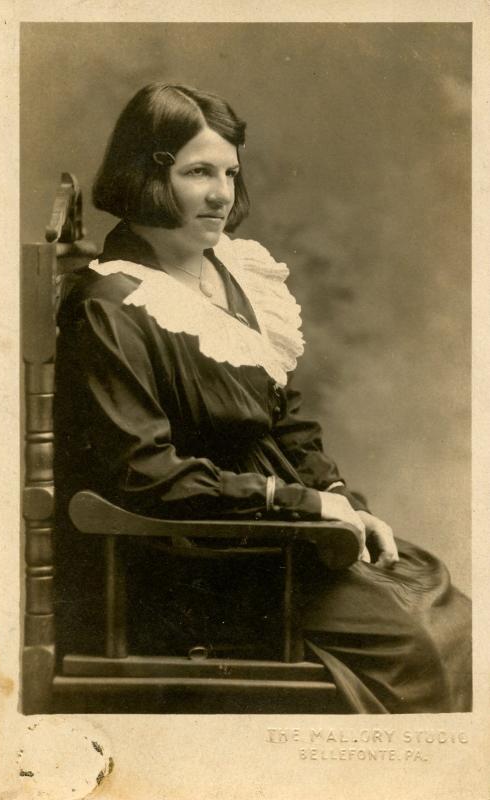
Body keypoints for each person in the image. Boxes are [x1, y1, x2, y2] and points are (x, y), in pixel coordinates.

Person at [54, 82, 471, 713]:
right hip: (197, 555)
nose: (222, 195)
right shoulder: (111, 302)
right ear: (144, 174)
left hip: (277, 534)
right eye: (199, 172)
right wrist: (294, 504)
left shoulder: (226, 270)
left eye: (229, 173)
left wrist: (338, 501)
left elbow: (281, 419)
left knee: (446, 608)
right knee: (414, 642)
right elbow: (141, 474)